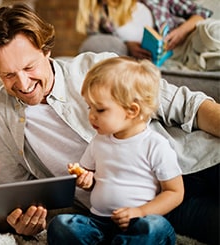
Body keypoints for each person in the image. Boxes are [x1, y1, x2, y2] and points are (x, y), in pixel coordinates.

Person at [0, 3, 219, 244]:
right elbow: (15, 194)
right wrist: (23, 220)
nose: (24, 84)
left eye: (29, 67)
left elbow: (186, 104)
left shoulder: (94, 68)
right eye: (8, 75)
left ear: (45, 50)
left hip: (189, 167)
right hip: (119, 213)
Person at [47, 57, 184, 244]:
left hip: (139, 221)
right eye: (90, 107)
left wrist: (141, 212)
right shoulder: (99, 141)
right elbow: (92, 179)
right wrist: (86, 181)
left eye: (100, 110)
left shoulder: (155, 145)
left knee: (155, 228)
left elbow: (175, 192)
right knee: (61, 225)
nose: (91, 116)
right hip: (98, 222)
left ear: (132, 111)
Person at [75, 0, 214, 66]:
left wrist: (181, 31)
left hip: (183, 43)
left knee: (211, 30)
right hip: (154, 60)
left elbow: (201, 12)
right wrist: (127, 45)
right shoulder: (100, 14)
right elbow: (98, 42)